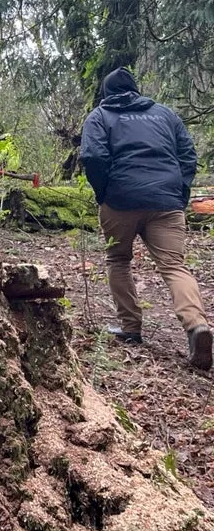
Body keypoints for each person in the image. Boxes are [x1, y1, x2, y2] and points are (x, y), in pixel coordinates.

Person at [80, 67, 212, 369]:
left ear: (106, 93)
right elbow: (188, 155)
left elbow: (93, 156)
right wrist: (179, 192)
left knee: (118, 259)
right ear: (136, 89)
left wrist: (105, 192)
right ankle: (196, 325)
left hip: (120, 200)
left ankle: (130, 328)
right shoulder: (165, 114)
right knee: (174, 265)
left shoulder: (99, 117)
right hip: (166, 200)